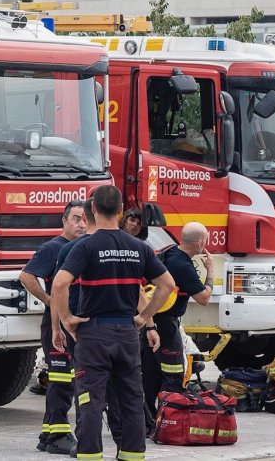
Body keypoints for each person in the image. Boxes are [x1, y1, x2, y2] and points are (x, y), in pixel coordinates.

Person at [52, 186, 175, 461]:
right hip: (127, 334)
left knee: (90, 401)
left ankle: (91, 455)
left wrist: (66, 320)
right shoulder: (139, 247)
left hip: (93, 333)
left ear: (92, 210)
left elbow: (60, 284)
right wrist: (144, 319)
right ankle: (132, 455)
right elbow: (167, 284)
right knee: (131, 398)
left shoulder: (84, 246)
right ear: (120, 210)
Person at [19, 200, 87, 455]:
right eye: (76, 219)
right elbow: (26, 275)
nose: (81, 224)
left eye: (84, 219)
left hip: (72, 323)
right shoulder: (53, 248)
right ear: (64, 221)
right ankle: (59, 435)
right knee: (61, 380)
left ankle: (48, 434)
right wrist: (50, 302)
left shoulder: (81, 248)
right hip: (56, 324)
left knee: (65, 378)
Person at [143, 222, 213, 426]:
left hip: (150, 322)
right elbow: (204, 298)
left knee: (150, 374)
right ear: (200, 242)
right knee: (173, 374)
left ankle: (148, 422)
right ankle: (170, 421)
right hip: (166, 325)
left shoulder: (168, 252)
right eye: (205, 239)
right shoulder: (183, 266)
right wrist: (210, 271)